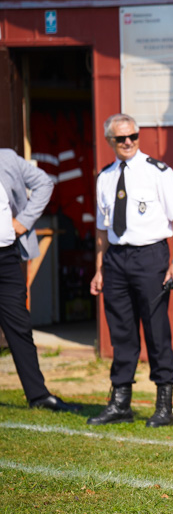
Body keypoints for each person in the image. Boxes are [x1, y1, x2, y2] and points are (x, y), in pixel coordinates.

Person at [88, 114, 173, 428]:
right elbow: (103, 230)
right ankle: (120, 403)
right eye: (121, 138)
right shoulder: (105, 177)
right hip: (116, 259)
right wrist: (99, 269)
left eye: (133, 136)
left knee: (156, 330)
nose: (129, 142)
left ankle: (164, 406)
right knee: (121, 332)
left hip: (150, 256)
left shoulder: (159, 172)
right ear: (110, 141)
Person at [0, 148, 80, 412]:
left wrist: (23, 221)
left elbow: (44, 182)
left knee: (19, 327)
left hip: (7, 255)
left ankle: (38, 395)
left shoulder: (7, 158)